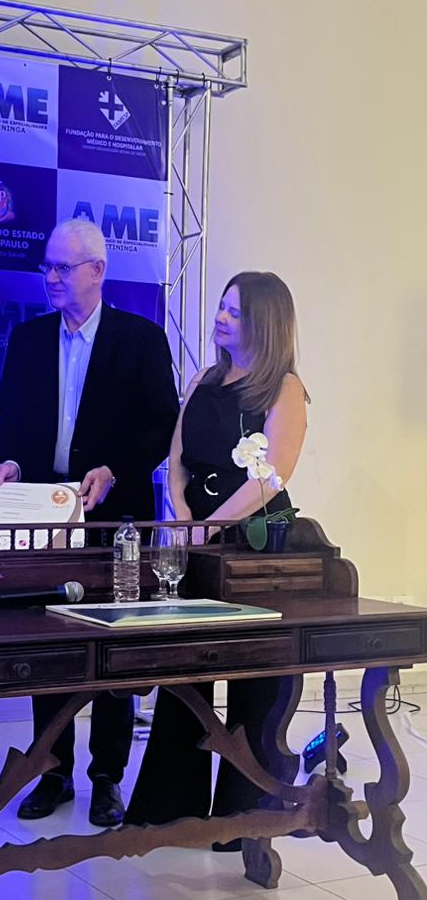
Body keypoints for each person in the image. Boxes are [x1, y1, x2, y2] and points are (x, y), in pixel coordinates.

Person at [0, 218, 178, 826]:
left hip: (116, 519)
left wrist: (115, 468)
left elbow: (161, 425)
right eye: (47, 266)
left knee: (113, 645)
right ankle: (52, 770)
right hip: (45, 517)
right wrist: (12, 461)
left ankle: (106, 778)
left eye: (62, 268)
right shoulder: (28, 339)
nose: (51, 277)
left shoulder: (141, 339)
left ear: (97, 271)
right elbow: (7, 422)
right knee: (49, 645)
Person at [125, 270, 308, 837]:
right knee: (186, 667)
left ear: (265, 323)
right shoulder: (204, 379)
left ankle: (242, 818)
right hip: (196, 538)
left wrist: (211, 526)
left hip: (255, 543)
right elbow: (178, 459)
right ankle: (170, 809)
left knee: (254, 680)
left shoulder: (285, 388)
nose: (220, 317)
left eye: (235, 311)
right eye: (222, 307)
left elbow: (272, 477)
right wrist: (182, 512)